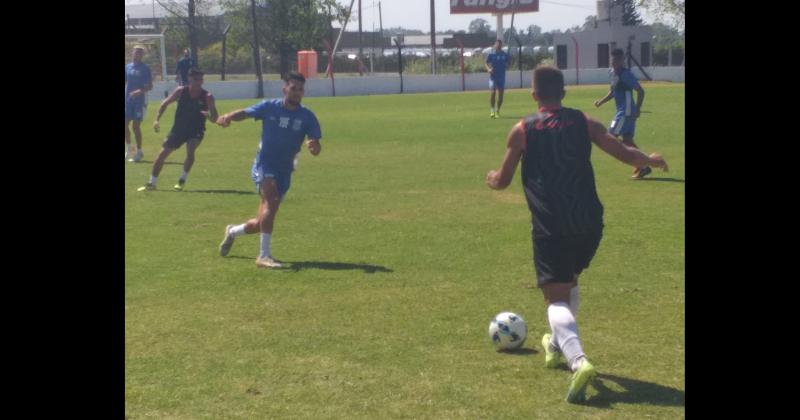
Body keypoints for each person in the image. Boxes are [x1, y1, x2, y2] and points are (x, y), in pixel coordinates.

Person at [485, 66, 668, 403]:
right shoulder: (585, 122)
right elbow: (623, 153)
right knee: (569, 282)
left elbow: (504, 180)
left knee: (556, 298)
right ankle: (554, 345)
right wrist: (651, 160)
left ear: (534, 94)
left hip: (551, 225)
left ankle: (578, 360)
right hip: (589, 222)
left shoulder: (522, 129)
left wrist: (492, 177)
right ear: (564, 93)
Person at [216, 71, 322, 269]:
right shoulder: (269, 107)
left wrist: (314, 146)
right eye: (293, 88)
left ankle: (232, 232)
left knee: (262, 220)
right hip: (264, 164)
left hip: (285, 170)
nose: (297, 93)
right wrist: (229, 116)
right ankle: (263, 256)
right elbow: (246, 113)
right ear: (285, 89)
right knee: (271, 201)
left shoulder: (307, 117)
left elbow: (315, 142)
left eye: (300, 89)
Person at [138, 68, 218, 192]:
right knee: (162, 155)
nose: (199, 82)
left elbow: (215, 118)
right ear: (189, 79)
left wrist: (209, 116)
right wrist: (156, 119)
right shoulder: (181, 91)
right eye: (196, 79)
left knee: (190, 152)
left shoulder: (208, 96)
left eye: (201, 79)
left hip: (195, 130)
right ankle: (151, 183)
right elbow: (165, 103)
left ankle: (181, 180)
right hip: (178, 130)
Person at [594, 48, 649, 178]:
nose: (614, 62)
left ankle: (641, 165)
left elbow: (640, 91)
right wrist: (601, 102)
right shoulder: (612, 73)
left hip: (626, 111)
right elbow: (613, 91)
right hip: (623, 111)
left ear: (622, 60)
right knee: (628, 140)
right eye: (613, 59)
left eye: (617, 59)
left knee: (611, 135)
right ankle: (643, 165)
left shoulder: (626, 74)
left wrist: (638, 109)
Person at [125, 45, 153, 162]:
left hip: (140, 101)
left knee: (136, 126)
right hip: (128, 99)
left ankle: (139, 151)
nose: (137, 55)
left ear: (142, 55)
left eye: (140, 53)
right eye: (136, 52)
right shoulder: (127, 67)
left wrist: (139, 91)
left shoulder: (145, 68)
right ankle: (130, 149)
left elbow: (150, 86)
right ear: (132, 53)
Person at [485, 39, 511, 119]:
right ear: (495, 45)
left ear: (501, 45)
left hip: (501, 77)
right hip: (493, 77)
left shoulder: (504, 54)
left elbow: (509, 62)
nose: (499, 45)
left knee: (501, 96)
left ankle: (497, 110)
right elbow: (486, 63)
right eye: (497, 44)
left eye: (500, 44)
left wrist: (507, 65)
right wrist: (489, 69)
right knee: (493, 92)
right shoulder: (491, 54)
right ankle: (492, 110)